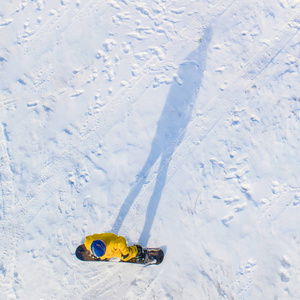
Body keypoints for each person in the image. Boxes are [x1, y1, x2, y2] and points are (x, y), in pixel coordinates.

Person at [79, 232, 145, 262]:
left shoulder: (113, 243)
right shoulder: (88, 242)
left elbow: (121, 242)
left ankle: (137, 250)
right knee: (102, 255)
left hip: (114, 251)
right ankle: (102, 256)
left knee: (125, 257)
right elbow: (88, 239)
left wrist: (125, 253)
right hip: (105, 250)